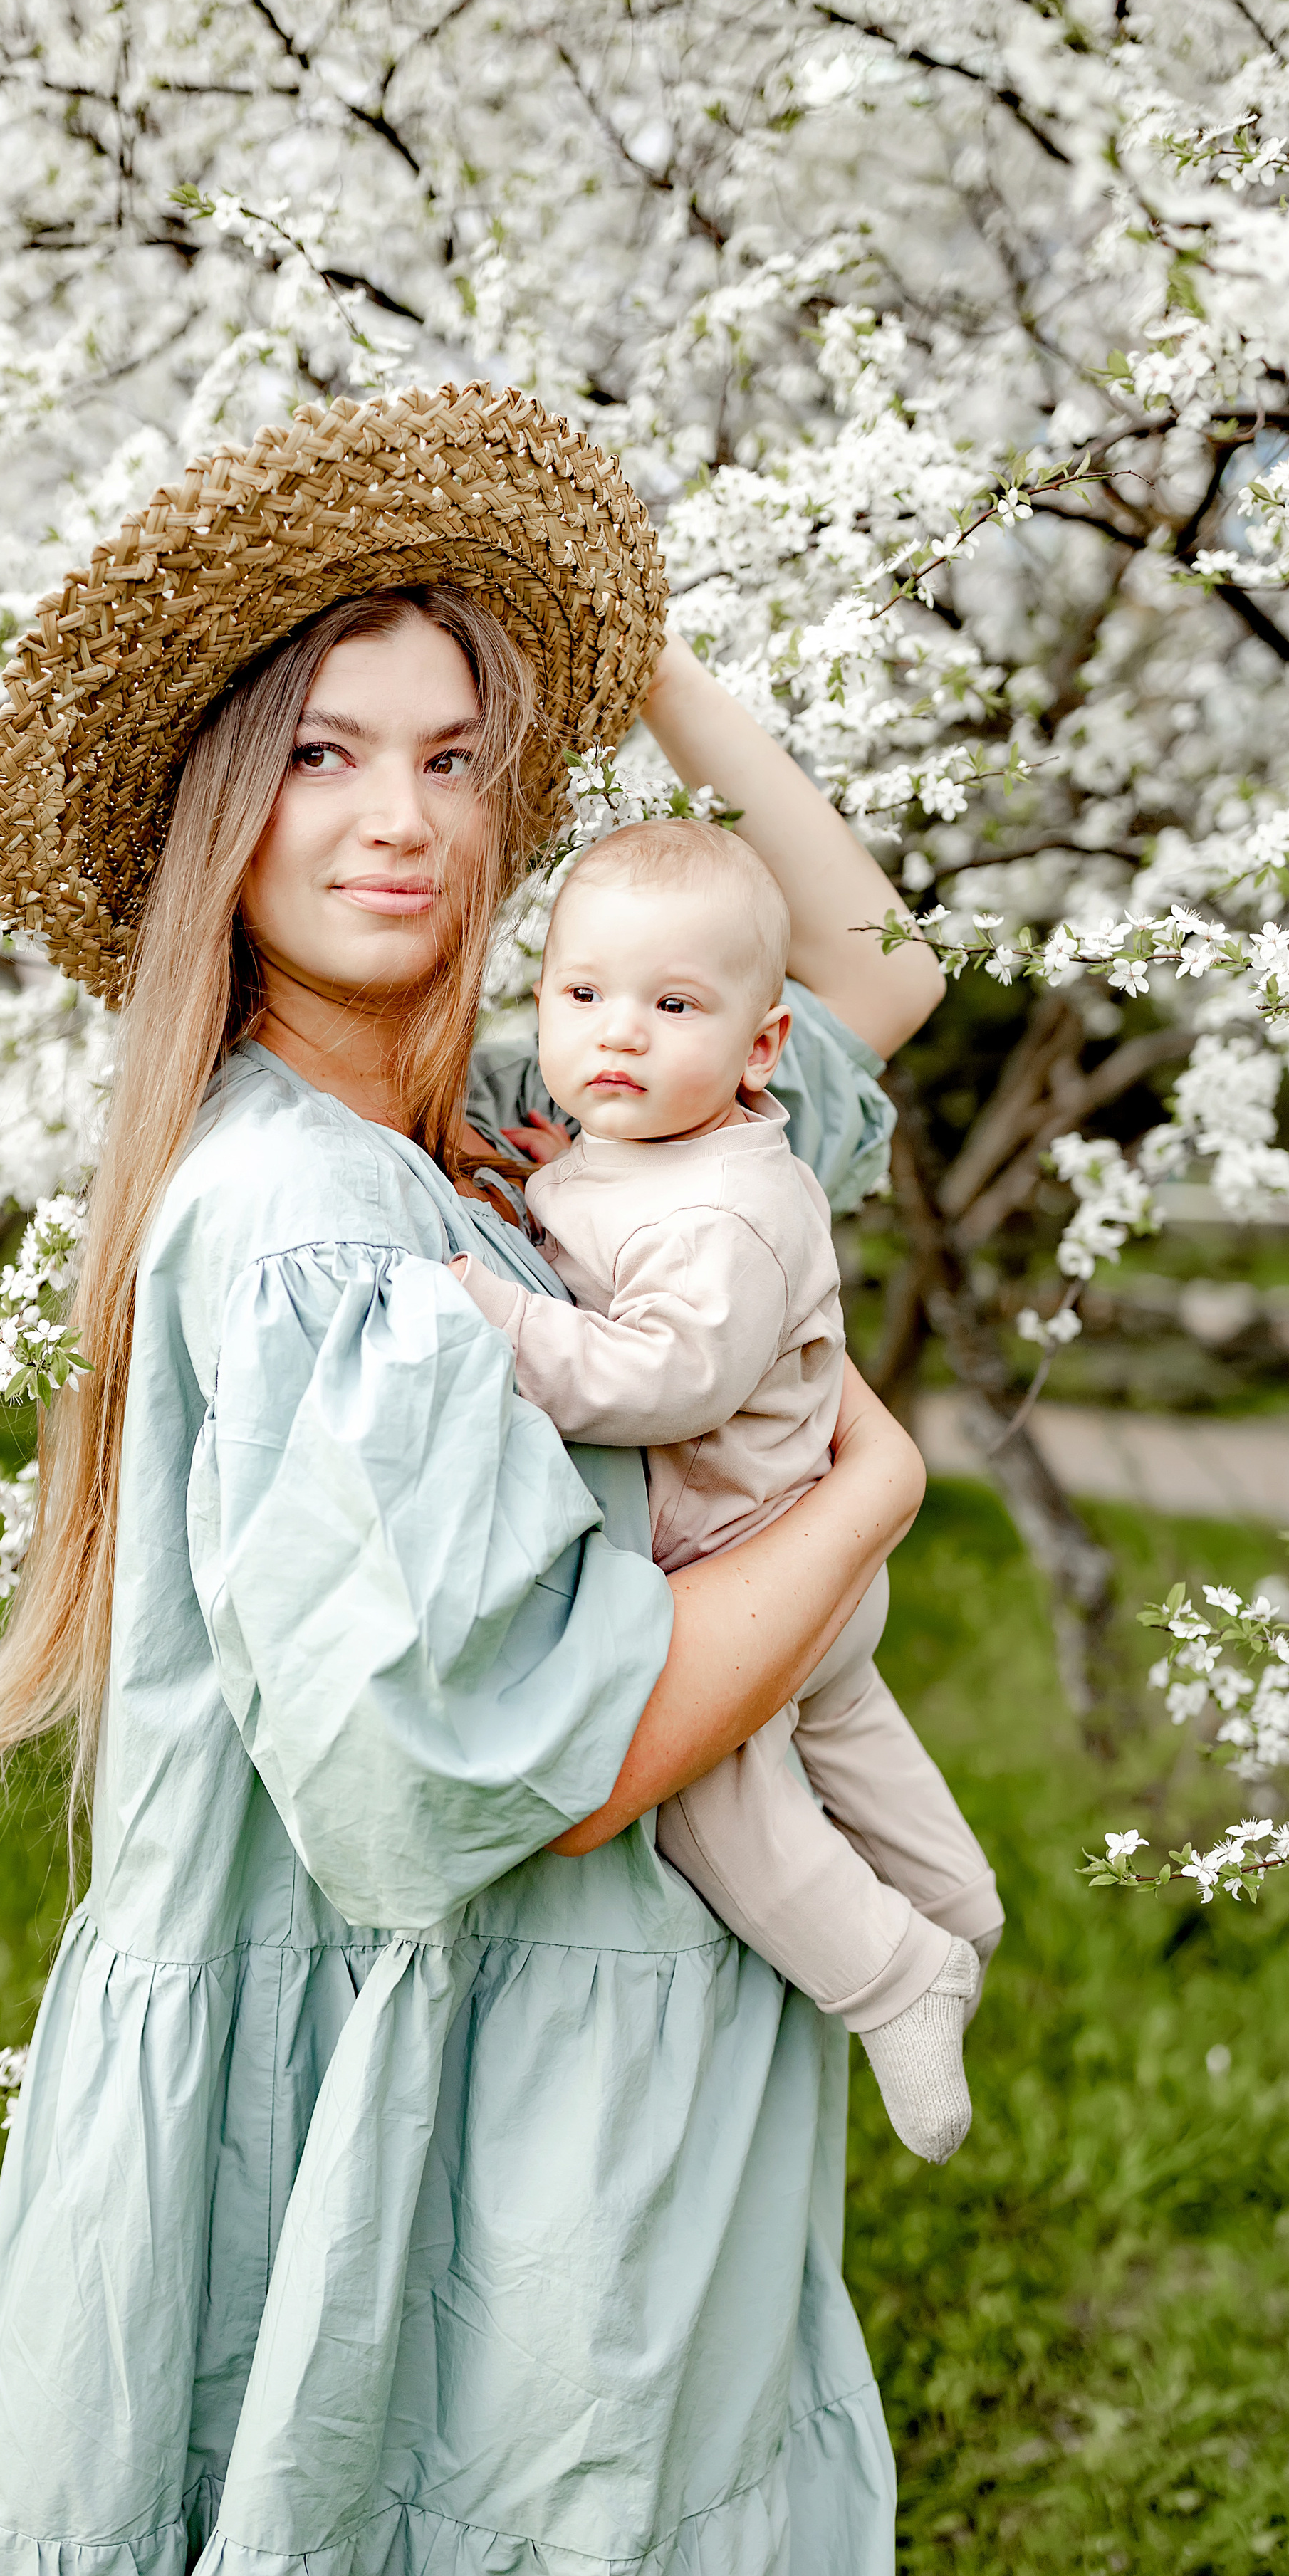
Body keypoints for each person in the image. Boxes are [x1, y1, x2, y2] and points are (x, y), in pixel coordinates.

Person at [0, 383, 946, 2576]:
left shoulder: (509, 1131)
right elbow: (538, 1768)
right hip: (424, 2097)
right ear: (217, 815)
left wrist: (639, 656)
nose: (401, 820)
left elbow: (869, 965)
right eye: (322, 751)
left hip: (566, 2063)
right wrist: (868, 1493)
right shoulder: (312, 1223)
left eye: (459, 758)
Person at [448, 811, 1002, 2167]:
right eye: (583, 997)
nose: (618, 1035)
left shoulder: (730, 1210)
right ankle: (959, 1904)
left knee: (716, 1793)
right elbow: (603, 1218)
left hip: (757, 1571)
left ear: (763, 1050)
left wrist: (507, 1322)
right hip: (803, 1560)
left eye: (672, 1005)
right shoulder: (650, 1152)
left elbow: (663, 1380)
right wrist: (547, 1192)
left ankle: (895, 1973)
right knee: (853, 1740)